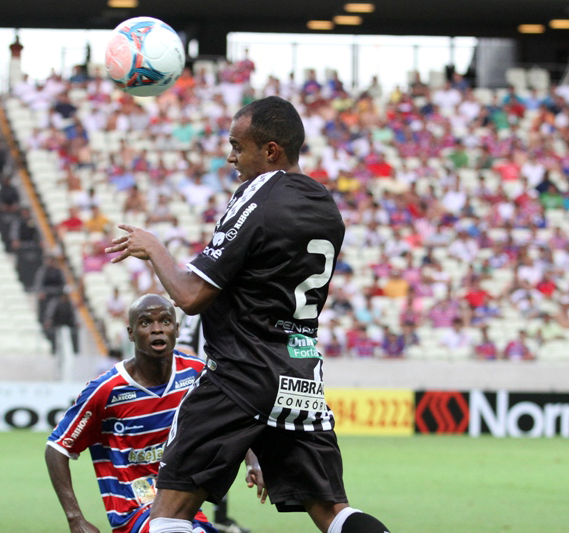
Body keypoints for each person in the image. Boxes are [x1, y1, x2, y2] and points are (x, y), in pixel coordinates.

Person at [105, 96, 389, 533]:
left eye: (238, 147)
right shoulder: (325, 205)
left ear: (271, 151)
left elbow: (191, 296)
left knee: (168, 514)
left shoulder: (260, 193)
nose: (231, 157)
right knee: (333, 512)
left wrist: (154, 248)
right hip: (300, 377)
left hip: (239, 373)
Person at [45, 294, 218, 533]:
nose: (157, 329)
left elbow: (231, 410)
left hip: (183, 507)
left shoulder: (195, 373)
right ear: (131, 333)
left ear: (177, 330)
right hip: (135, 513)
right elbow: (57, 448)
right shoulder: (107, 390)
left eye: (165, 321)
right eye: (146, 323)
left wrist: (253, 463)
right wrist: (76, 519)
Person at [175, 313, 251, 533]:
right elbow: (183, 348)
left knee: (222, 455)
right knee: (196, 458)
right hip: (204, 389)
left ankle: (219, 517)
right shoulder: (197, 308)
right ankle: (180, 516)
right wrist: (211, 372)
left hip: (221, 388)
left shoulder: (223, 306)